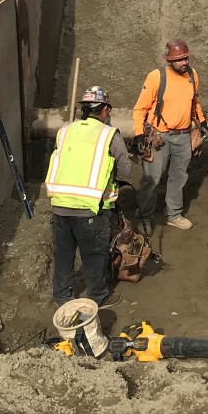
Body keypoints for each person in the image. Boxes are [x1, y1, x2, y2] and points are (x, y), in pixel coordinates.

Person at [45, 86, 132, 307]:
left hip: (59, 205)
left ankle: (63, 298)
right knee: (94, 256)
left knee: (63, 256)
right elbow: (125, 170)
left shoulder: (65, 130)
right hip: (90, 208)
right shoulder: (108, 135)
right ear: (104, 110)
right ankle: (98, 298)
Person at [132, 39, 207, 230]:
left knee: (178, 177)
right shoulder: (157, 77)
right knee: (152, 178)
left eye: (186, 58)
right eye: (180, 60)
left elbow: (195, 102)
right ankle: (144, 216)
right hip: (159, 137)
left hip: (183, 136)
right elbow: (140, 109)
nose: (185, 63)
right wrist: (139, 135)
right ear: (170, 60)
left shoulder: (192, 75)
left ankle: (173, 215)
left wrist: (202, 122)